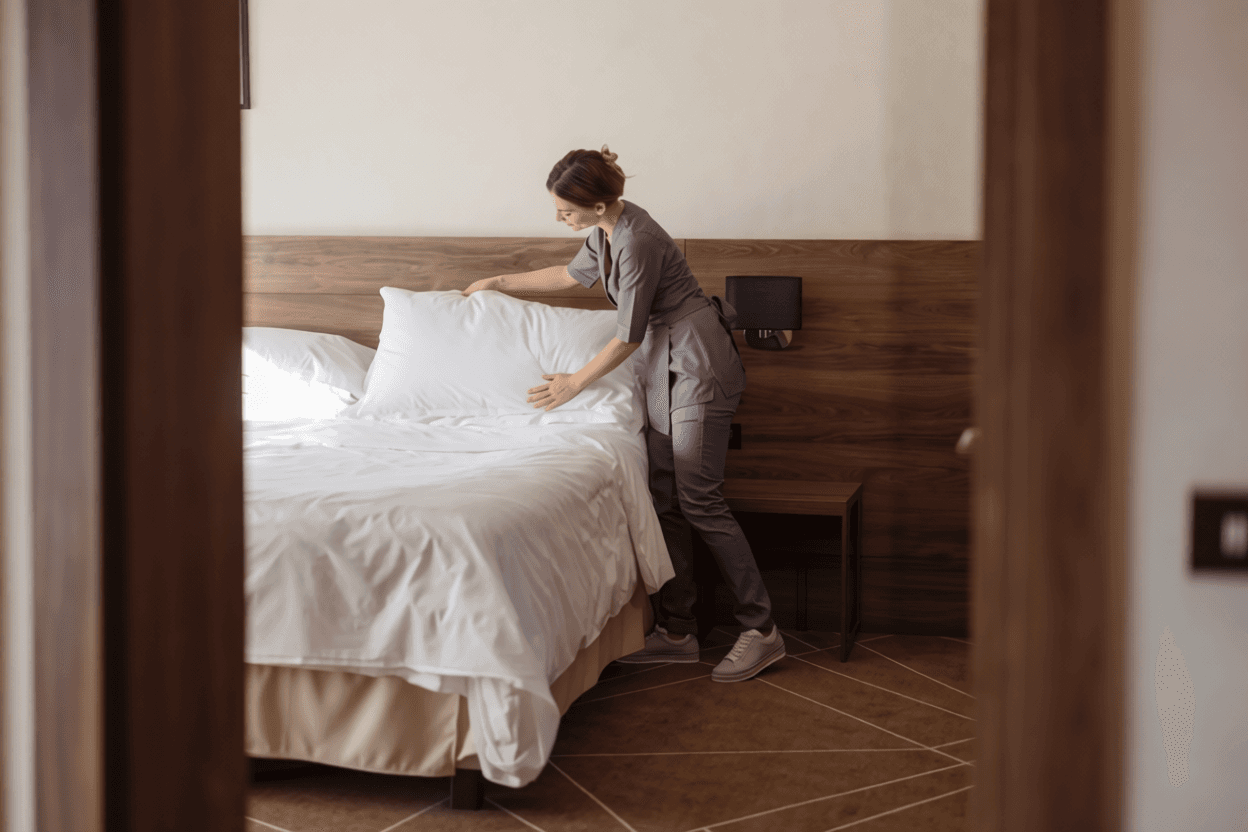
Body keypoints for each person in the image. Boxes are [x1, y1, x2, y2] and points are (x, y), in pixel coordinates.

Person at [462, 145, 785, 682]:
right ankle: (680, 632)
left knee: (699, 497)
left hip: (696, 363)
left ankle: (763, 630)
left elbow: (627, 335)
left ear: (597, 203)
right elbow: (570, 276)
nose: (558, 218)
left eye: (566, 210)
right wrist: (498, 283)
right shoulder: (607, 231)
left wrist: (572, 384)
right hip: (666, 363)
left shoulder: (636, 240)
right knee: (665, 495)